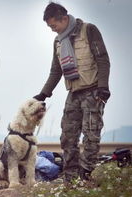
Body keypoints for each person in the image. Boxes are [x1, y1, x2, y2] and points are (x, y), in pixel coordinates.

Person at [33, 2, 110, 182]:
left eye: (54, 25)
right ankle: (70, 178)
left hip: (93, 91)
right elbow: (56, 70)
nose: (52, 30)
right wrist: (43, 94)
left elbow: (103, 59)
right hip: (73, 93)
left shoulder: (89, 30)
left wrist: (103, 87)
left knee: (91, 135)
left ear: (64, 19)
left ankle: (86, 175)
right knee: (67, 137)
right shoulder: (58, 41)